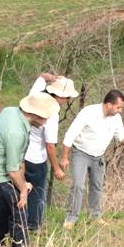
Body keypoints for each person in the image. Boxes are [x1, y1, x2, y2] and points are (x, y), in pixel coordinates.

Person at [0, 93, 59, 247]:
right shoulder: (16, 132)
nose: (47, 121)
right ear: (36, 115)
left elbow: (17, 161)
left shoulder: (10, 111)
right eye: (46, 117)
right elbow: (12, 170)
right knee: (19, 209)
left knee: (4, 205)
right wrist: (23, 189)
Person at [60, 89, 124, 229]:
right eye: (118, 107)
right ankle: (71, 218)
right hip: (81, 153)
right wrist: (64, 157)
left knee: (97, 186)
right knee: (78, 185)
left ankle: (95, 216)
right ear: (109, 105)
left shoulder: (116, 118)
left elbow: (122, 136)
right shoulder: (88, 112)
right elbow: (70, 134)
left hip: (98, 156)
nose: (120, 110)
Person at [24, 74, 79, 231]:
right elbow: (50, 145)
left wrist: (50, 76)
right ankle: (33, 225)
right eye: (67, 97)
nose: (67, 100)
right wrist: (56, 168)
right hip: (35, 158)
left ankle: (18, 218)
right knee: (37, 192)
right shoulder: (52, 113)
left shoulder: (36, 95)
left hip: (20, 153)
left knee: (20, 187)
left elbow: (41, 76)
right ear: (59, 95)